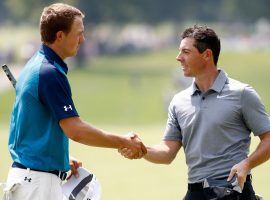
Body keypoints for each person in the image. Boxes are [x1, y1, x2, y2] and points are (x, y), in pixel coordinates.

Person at [4, 3, 146, 200]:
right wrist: (123, 142)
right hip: (37, 185)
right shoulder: (48, 73)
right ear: (60, 35)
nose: (83, 39)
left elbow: (32, 128)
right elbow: (76, 130)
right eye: (78, 33)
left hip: (32, 180)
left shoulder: (37, 65)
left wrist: (59, 159)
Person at [119, 25, 270, 199]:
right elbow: (167, 152)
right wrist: (141, 149)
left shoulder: (242, 94)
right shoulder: (178, 102)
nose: (178, 58)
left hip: (232, 190)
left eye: (186, 52)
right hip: (195, 192)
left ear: (207, 55)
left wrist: (247, 164)